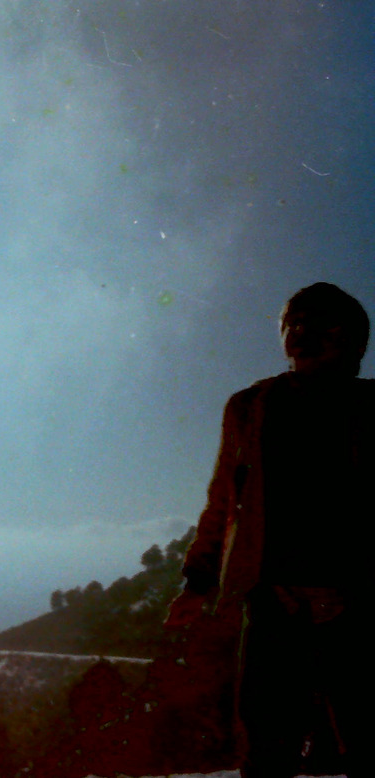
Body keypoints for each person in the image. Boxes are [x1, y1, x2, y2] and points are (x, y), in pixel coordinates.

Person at [167, 282, 373, 778]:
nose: (299, 331)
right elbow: (224, 501)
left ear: (350, 336)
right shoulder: (250, 407)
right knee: (266, 749)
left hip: (358, 609)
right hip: (273, 607)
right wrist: (198, 581)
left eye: (317, 321)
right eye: (291, 321)